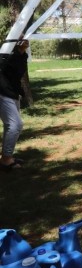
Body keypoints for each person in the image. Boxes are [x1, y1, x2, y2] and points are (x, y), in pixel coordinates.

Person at [0, 38, 29, 170]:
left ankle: (7, 156)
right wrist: (18, 52)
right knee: (15, 124)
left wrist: (21, 52)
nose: (26, 41)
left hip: (12, 93)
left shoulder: (20, 56)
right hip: (3, 93)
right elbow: (7, 66)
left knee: (10, 126)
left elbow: (18, 72)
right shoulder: (5, 54)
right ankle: (6, 159)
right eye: (22, 39)